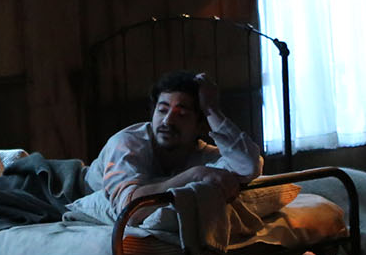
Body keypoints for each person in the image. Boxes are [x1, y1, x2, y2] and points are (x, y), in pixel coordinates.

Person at [84, 69, 263, 219]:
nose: (167, 121)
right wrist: (195, 174)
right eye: (162, 110)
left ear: (201, 125)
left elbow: (248, 165)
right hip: (70, 185)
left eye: (182, 115)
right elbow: (131, 211)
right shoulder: (127, 143)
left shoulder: (201, 153)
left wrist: (211, 109)